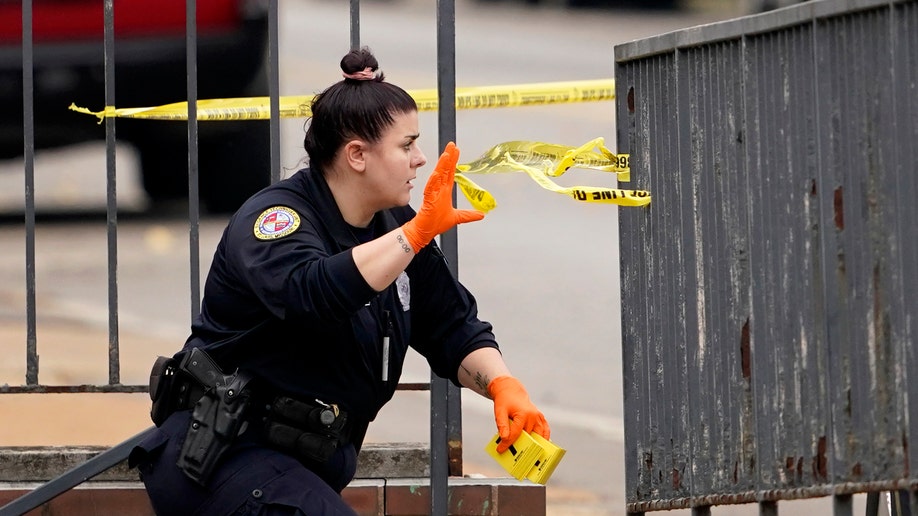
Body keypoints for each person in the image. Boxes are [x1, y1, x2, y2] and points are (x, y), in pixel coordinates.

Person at [129, 47, 551, 515]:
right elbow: (312, 293)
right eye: (406, 145)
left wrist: (501, 385)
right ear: (357, 155)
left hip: (300, 468)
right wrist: (412, 236)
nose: (420, 159)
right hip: (224, 460)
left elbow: (450, 323)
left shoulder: (395, 224)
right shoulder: (275, 220)